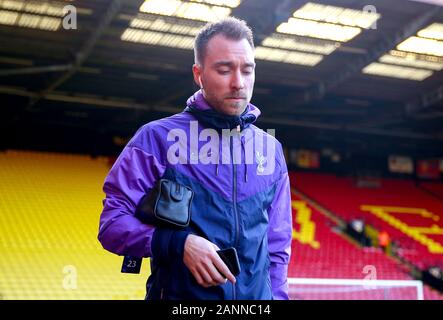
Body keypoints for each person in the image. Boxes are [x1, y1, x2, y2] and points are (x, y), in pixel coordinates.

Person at [98, 17, 292, 300]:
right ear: (198, 74)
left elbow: (277, 247)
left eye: (247, 70)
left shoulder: (270, 149)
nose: (238, 83)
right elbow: (112, 224)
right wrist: (179, 243)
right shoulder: (156, 139)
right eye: (224, 70)